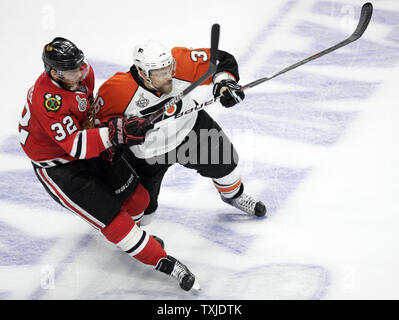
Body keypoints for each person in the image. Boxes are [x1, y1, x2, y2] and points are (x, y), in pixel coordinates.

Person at [18, 37, 199, 292]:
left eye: (79, 65)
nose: (78, 72)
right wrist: (116, 133)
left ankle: (136, 241)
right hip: (60, 167)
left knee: (139, 201)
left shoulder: (84, 72)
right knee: (116, 222)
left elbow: (90, 113)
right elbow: (74, 146)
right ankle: (162, 261)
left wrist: (118, 126)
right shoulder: (49, 101)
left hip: (89, 145)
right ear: (53, 72)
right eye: (70, 70)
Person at [95, 41, 266, 228]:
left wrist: (224, 82)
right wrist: (119, 129)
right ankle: (133, 237)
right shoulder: (115, 91)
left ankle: (234, 197)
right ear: (143, 72)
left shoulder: (181, 63)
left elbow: (221, 59)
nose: (169, 77)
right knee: (142, 214)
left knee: (227, 166)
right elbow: (98, 126)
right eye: (161, 73)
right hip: (147, 153)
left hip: (190, 130)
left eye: (170, 69)